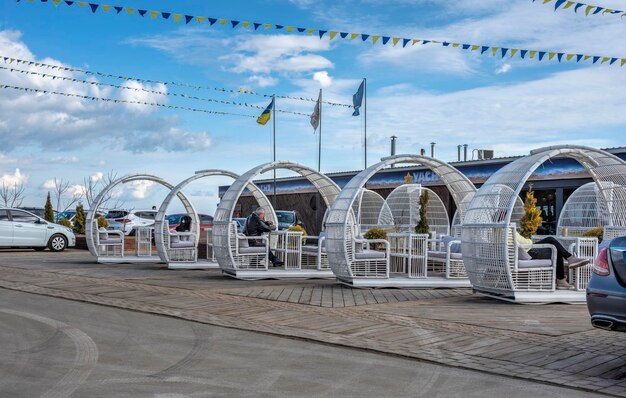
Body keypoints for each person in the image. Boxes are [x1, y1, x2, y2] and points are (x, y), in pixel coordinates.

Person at [517, 232, 590, 290]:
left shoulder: (507, 229)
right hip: (528, 252)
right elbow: (525, 242)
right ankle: (569, 262)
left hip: (526, 250)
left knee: (552, 242)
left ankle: (569, 261)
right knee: (552, 242)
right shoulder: (509, 229)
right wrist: (529, 241)